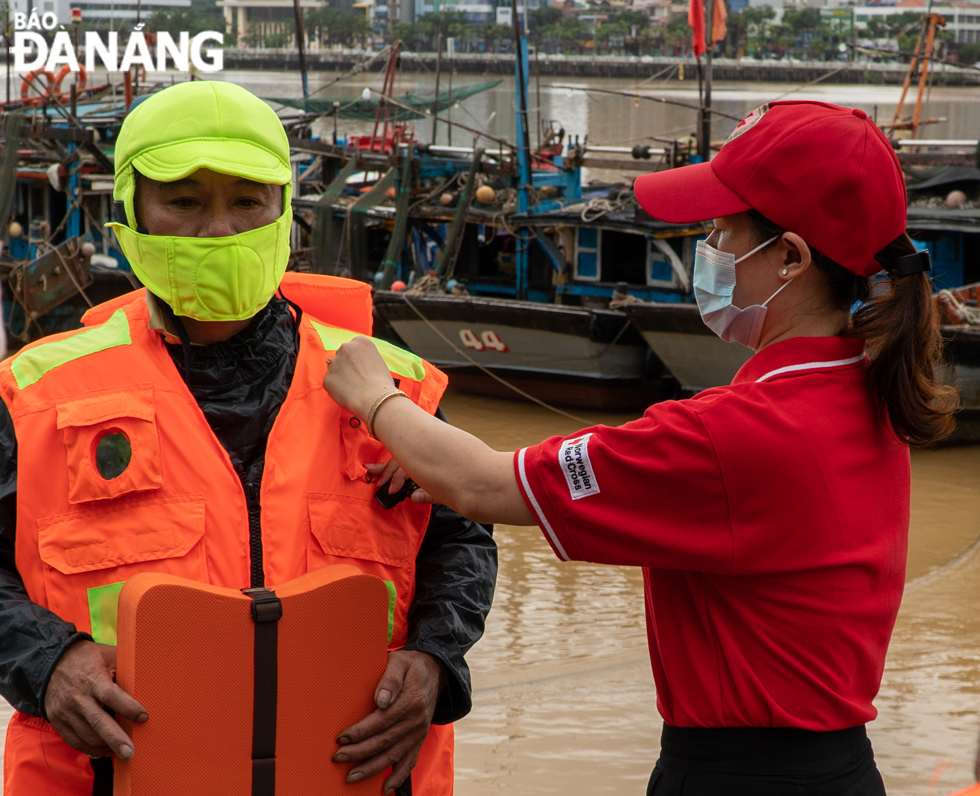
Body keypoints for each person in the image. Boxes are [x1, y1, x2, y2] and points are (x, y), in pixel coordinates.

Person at [323, 101, 958, 795]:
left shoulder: (740, 433)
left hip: (738, 778)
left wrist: (376, 398)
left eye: (721, 231)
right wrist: (433, 470)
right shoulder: (864, 393)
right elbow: (614, 468)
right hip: (838, 769)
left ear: (790, 258)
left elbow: (482, 486)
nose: (706, 252)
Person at [0, 80, 496, 796]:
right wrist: (46, 662)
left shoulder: (397, 391)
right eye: (186, 202)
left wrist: (434, 658)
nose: (219, 231)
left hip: (351, 777)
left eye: (246, 202)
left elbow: (463, 537)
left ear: (284, 211)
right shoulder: (32, 395)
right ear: (131, 212)